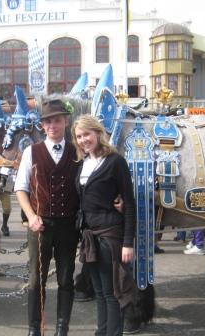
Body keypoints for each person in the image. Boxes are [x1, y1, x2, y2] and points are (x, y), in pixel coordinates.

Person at [15, 99, 80, 336]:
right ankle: (35, 328)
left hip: (68, 226)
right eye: (48, 121)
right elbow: (21, 189)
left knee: (65, 278)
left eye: (57, 120)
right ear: (42, 125)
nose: (52, 125)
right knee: (35, 280)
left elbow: (91, 183)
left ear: (65, 121)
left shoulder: (77, 151)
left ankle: (62, 327)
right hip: (39, 224)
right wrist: (31, 216)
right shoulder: (31, 151)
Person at [72, 115, 138, 336]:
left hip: (110, 236)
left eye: (87, 134)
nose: (83, 140)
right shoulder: (83, 163)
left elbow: (128, 202)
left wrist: (128, 243)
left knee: (112, 293)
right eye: (79, 136)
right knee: (99, 291)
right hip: (90, 236)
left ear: (98, 133)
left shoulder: (115, 161)